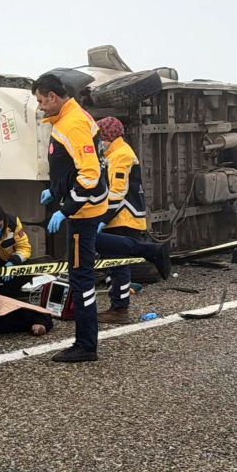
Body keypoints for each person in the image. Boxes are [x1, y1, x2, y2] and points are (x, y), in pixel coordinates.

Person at [32, 73, 109, 363]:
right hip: (83, 208)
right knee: (84, 269)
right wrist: (55, 191)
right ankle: (149, 251)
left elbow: (89, 174)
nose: (40, 107)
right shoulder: (68, 119)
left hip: (84, 213)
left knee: (81, 279)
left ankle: (86, 345)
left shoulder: (73, 123)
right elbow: (71, 167)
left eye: (41, 100)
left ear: (53, 96)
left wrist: (66, 210)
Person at [91, 117, 171, 324]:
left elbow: (118, 192)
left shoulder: (121, 155)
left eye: (101, 137)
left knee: (118, 265)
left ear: (108, 136)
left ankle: (119, 309)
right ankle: (118, 304)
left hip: (123, 217)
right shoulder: (113, 154)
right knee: (114, 264)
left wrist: (102, 218)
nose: (99, 142)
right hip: (120, 217)